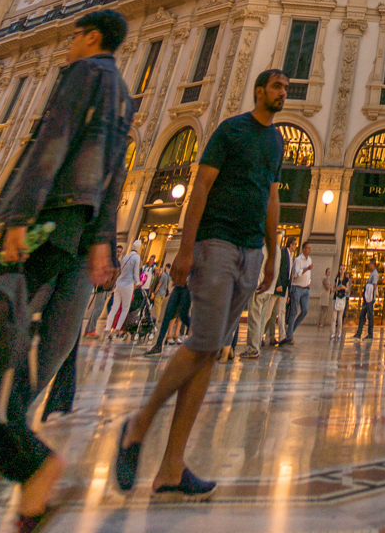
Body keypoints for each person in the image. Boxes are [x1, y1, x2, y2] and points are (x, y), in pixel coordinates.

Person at [0, 9, 132, 529]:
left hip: (46, 223)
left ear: (91, 37)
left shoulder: (83, 74)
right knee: (28, 351)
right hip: (79, 232)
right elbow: (115, 175)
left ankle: (31, 461)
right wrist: (102, 242)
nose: (67, 43)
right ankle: (19, 467)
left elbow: (53, 139)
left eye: (73, 35)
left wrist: (20, 218)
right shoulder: (122, 91)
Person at [116, 68, 287, 499]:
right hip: (217, 243)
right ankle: (138, 425)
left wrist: (273, 256)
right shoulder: (231, 131)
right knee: (203, 343)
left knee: (209, 353)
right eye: (278, 86)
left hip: (250, 252)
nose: (284, 92)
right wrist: (185, 248)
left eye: (286, 87)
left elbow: (271, 198)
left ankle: (171, 467)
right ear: (260, 90)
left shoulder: (276, 141)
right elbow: (201, 186)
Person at [107, 239, 144, 339]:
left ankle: (107, 328)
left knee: (114, 307)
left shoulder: (125, 257)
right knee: (125, 308)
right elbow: (136, 273)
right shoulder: (137, 257)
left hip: (119, 283)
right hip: (128, 284)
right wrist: (138, 282)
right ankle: (118, 329)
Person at [286, 242, 313, 341]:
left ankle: (291, 329)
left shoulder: (309, 259)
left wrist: (309, 282)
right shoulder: (298, 260)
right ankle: (289, 335)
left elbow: (309, 274)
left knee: (304, 311)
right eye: (308, 248)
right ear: (303, 249)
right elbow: (296, 274)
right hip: (297, 287)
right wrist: (306, 269)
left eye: (310, 248)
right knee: (294, 311)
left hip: (306, 288)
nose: (309, 250)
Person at [355, 260, 378, 340]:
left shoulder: (375, 274)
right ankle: (359, 332)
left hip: (370, 298)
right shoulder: (372, 273)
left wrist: (368, 289)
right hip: (367, 298)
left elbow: (374, 286)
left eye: (369, 264)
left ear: (373, 264)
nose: (368, 266)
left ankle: (370, 334)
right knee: (362, 315)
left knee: (369, 315)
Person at [330, 267, 350, 340]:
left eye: (343, 269)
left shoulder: (346, 280)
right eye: (341, 269)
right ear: (339, 270)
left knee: (340, 317)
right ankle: (332, 333)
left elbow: (347, 290)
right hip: (336, 298)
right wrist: (337, 289)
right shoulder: (337, 279)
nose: (342, 271)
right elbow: (333, 289)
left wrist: (344, 288)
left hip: (342, 299)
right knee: (334, 317)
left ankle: (339, 332)